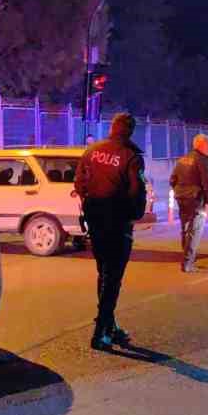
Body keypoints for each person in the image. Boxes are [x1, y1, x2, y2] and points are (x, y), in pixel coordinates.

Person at [75, 112, 147, 350]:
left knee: (104, 272)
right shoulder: (131, 156)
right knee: (113, 277)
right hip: (118, 223)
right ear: (130, 131)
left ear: (112, 128)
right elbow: (137, 193)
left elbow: (79, 183)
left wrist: (91, 203)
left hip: (95, 219)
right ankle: (101, 331)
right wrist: (132, 215)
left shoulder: (92, 151)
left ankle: (110, 325)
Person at [170, 133, 208, 272]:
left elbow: (172, 180)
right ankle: (188, 263)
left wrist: (179, 191)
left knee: (185, 229)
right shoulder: (202, 161)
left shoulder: (182, 159)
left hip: (181, 198)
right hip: (196, 200)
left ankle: (188, 259)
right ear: (202, 145)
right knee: (195, 231)